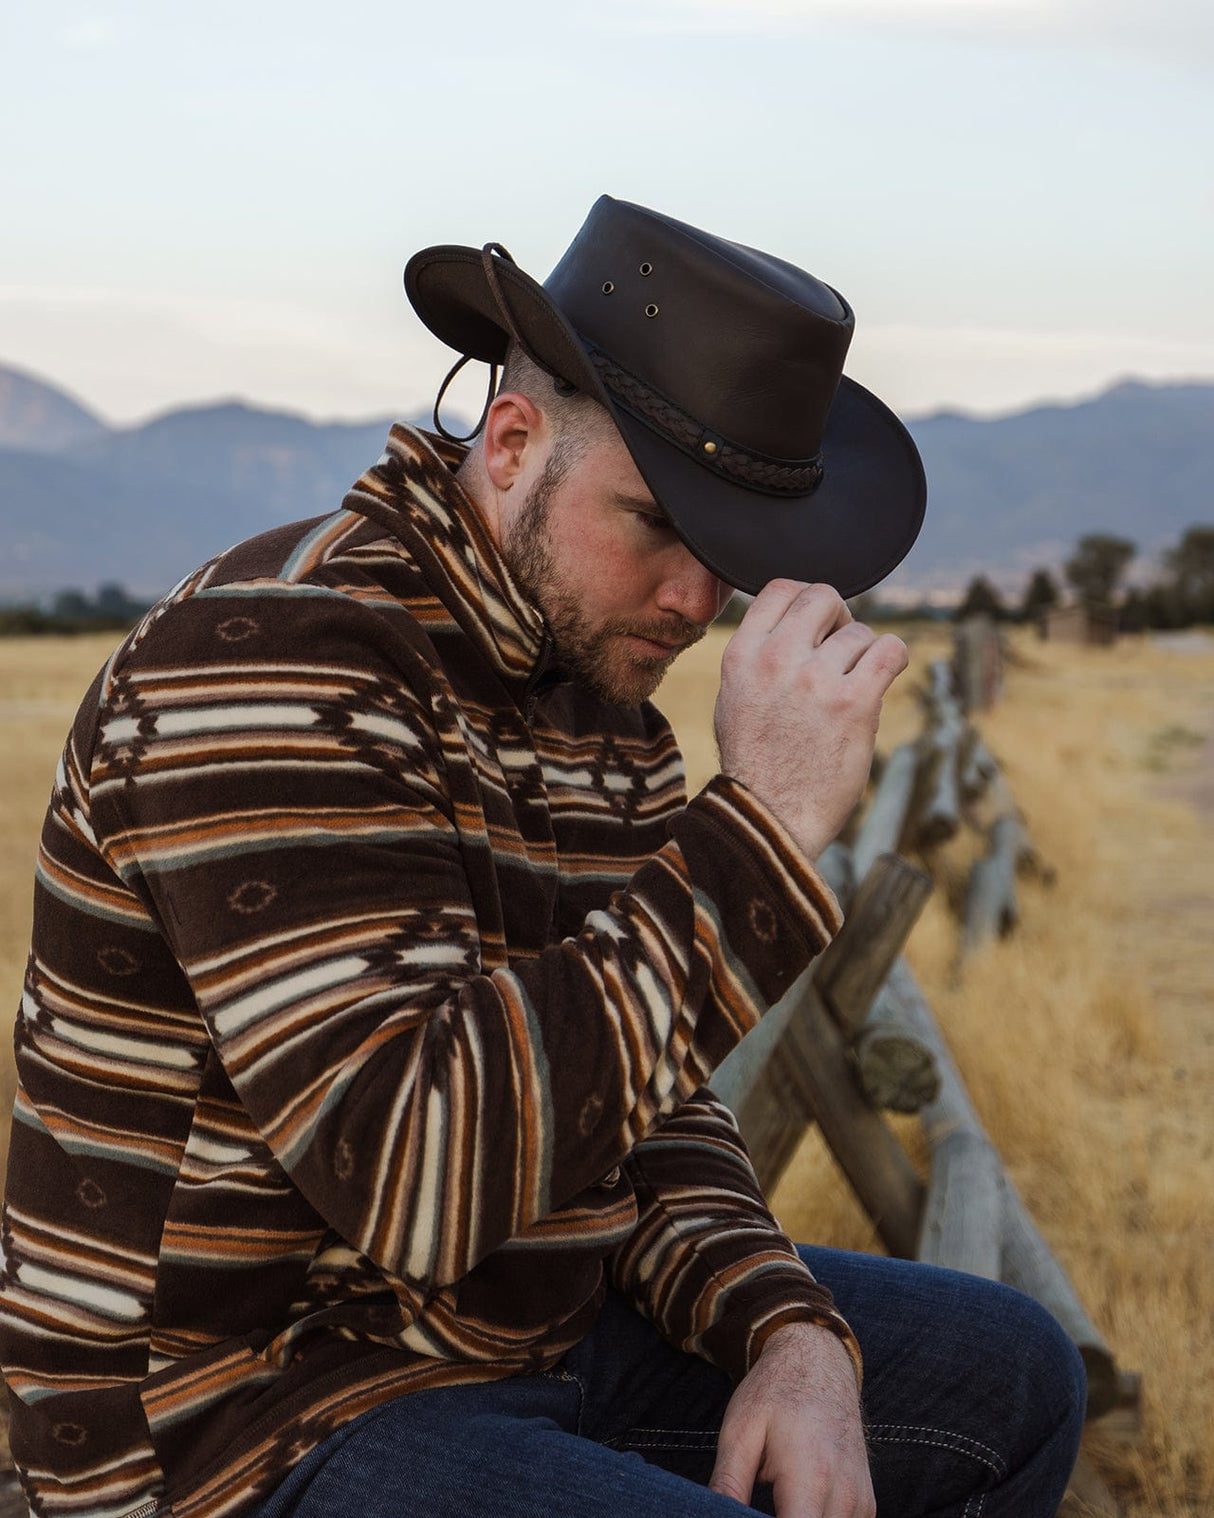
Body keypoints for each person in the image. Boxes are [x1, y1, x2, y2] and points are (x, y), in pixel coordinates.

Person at [0, 196, 1084, 1518]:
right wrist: (763, 836)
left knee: (1011, 1377)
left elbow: (640, 1098)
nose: (694, 600)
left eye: (728, 553)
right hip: (252, 1406)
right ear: (509, 442)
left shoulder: (595, 698)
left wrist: (782, 1328)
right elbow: (415, 1178)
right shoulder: (278, 658)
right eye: (652, 523)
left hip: (527, 1336)